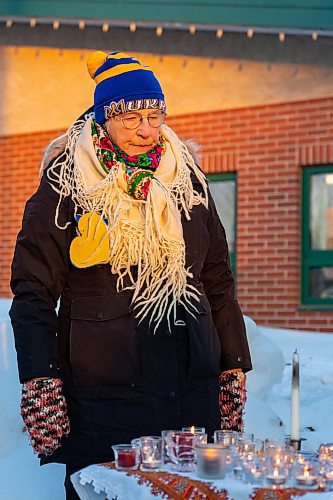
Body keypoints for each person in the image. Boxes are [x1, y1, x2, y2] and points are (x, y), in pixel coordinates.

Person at [10, 51, 252, 499]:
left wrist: (233, 367)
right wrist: (41, 382)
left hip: (190, 391)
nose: (146, 129)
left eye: (155, 114)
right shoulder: (67, 186)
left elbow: (217, 280)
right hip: (106, 399)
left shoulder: (188, 182)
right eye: (131, 118)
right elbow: (33, 294)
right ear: (104, 118)